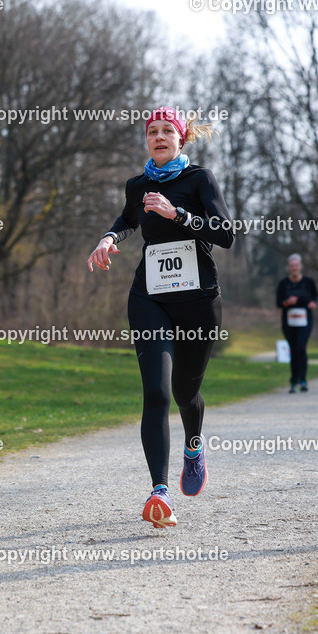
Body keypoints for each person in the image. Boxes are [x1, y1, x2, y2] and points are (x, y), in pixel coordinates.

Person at [87, 107, 233, 528]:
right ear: (146, 140)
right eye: (152, 131)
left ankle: (193, 445)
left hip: (199, 301)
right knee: (156, 392)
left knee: (186, 393)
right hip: (149, 296)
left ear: (181, 137)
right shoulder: (138, 185)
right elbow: (128, 217)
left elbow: (225, 233)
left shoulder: (199, 180)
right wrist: (109, 237)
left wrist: (178, 215)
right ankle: (159, 492)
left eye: (167, 129)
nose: (159, 136)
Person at [276, 254, 318, 393]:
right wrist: (287, 302)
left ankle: (303, 379)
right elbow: (278, 303)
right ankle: (294, 380)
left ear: (300, 266)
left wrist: (313, 303)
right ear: (288, 267)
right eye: (291, 266)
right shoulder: (283, 283)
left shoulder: (308, 282)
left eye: (296, 265)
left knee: (301, 348)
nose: (294, 268)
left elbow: (315, 296)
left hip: (305, 320)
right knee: (293, 350)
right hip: (289, 321)